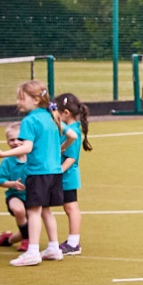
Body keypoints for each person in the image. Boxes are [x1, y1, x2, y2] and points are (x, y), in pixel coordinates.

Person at [0, 80, 67, 266]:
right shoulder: (51, 115)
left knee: (33, 211)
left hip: (38, 172)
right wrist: (58, 151)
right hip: (55, 172)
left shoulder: (29, 120)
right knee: (46, 211)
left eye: (21, 98)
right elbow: (72, 136)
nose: (18, 102)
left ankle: (33, 251)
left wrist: (3, 154)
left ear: (36, 100)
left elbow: (27, 147)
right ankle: (54, 248)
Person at [51, 93, 91, 256]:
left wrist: (57, 172)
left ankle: (73, 243)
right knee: (68, 207)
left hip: (67, 176)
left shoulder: (73, 131)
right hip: (64, 175)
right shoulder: (67, 129)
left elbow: (71, 158)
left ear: (65, 113)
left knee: (71, 207)